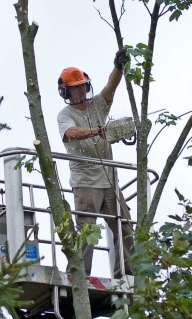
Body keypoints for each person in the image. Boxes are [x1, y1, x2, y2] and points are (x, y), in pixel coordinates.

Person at [56, 49, 133, 279]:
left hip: (109, 180)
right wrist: (97, 131)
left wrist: (118, 67)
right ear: (67, 92)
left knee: (125, 228)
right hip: (86, 182)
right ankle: (78, 275)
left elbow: (111, 86)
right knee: (87, 230)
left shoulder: (98, 105)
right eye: (75, 87)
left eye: (82, 85)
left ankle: (128, 275)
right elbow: (70, 133)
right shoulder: (64, 114)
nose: (80, 90)